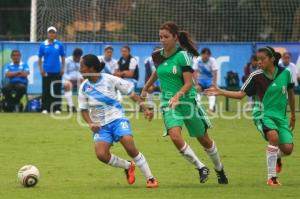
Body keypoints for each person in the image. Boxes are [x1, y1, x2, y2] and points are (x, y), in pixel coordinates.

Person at [141, 22, 228, 184]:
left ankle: (219, 169)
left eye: (166, 37)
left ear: (175, 38)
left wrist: (178, 95)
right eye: (160, 37)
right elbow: (158, 72)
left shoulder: (183, 56)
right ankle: (201, 167)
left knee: (205, 141)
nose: (162, 40)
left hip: (188, 102)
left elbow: (189, 83)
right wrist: (145, 88)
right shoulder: (156, 55)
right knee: (175, 136)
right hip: (169, 103)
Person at [206, 46, 296, 186]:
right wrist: (221, 91)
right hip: (262, 114)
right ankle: (271, 178)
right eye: (257, 59)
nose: (259, 62)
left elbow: (291, 93)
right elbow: (241, 95)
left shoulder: (286, 73)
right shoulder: (256, 76)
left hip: (281, 116)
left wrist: (293, 115)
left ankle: (276, 156)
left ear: (272, 59)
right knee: (273, 136)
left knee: (288, 149)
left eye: (262, 59)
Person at [78, 54, 158, 188]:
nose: (80, 70)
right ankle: (128, 166)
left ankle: (150, 178)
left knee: (129, 144)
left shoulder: (110, 79)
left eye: (82, 67)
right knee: (101, 155)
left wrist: (145, 108)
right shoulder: (84, 88)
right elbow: (83, 110)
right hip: (101, 126)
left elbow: (131, 94)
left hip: (117, 118)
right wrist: (90, 123)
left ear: (91, 68)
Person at [38, 26, 65, 114]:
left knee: (57, 90)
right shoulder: (43, 45)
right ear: (47, 34)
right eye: (50, 32)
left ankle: (57, 108)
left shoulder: (59, 45)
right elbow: (39, 58)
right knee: (46, 90)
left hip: (57, 71)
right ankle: (45, 108)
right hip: (46, 71)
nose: (51, 34)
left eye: (53, 32)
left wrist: (63, 68)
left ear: (55, 34)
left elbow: (63, 57)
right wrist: (41, 69)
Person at [193, 48, 218, 112]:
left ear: (210, 55)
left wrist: (214, 84)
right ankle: (197, 107)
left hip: (209, 80)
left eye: (207, 54)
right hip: (201, 79)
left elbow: (215, 72)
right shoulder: (198, 60)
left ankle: (211, 108)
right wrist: (196, 83)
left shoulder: (212, 60)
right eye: (204, 54)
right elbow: (194, 71)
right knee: (197, 89)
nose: (205, 55)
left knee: (211, 91)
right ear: (201, 54)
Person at [63, 48, 83, 112]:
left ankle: (82, 106)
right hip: (69, 80)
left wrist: (81, 78)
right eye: (76, 57)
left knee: (84, 85)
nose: (78, 59)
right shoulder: (67, 60)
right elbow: (64, 72)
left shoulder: (82, 61)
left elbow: (84, 72)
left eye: (79, 57)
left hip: (79, 80)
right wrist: (69, 79)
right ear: (73, 56)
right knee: (67, 85)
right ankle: (71, 106)